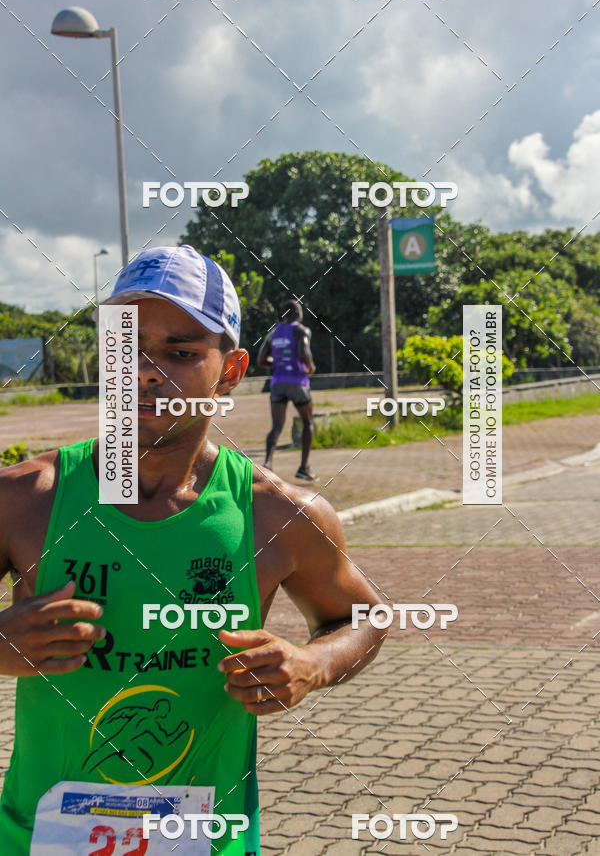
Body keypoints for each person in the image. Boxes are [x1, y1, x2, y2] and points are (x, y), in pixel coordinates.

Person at [0, 245, 383, 855]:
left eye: (180, 352)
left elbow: (364, 618)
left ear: (230, 371)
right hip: (38, 839)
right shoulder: (26, 499)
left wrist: (313, 665)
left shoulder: (277, 513)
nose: (147, 371)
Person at [257, 300, 318, 481]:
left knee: (276, 426)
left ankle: (268, 464)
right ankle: (304, 468)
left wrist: (278, 363)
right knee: (308, 422)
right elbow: (303, 352)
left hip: (278, 383)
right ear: (299, 315)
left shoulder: (273, 333)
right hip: (297, 382)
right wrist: (311, 366)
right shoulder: (301, 330)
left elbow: (261, 360)